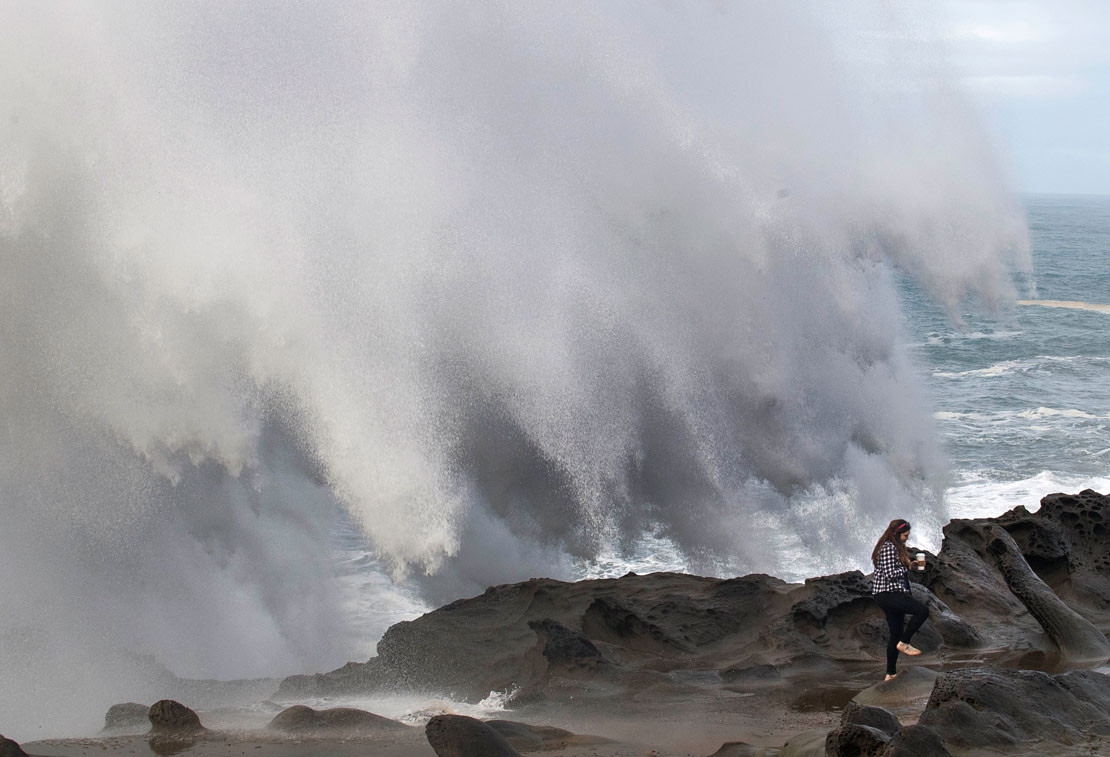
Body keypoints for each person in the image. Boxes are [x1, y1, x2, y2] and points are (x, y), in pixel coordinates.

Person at [871, 519, 929, 681]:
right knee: (922, 611)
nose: (907, 538)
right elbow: (890, 575)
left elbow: (893, 570)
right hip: (888, 593)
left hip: (887, 594)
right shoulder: (889, 548)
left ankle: (890, 674)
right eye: (905, 535)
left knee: (895, 634)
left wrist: (911, 564)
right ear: (896, 534)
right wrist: (907, 567)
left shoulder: (893, 547)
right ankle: (905, 643)